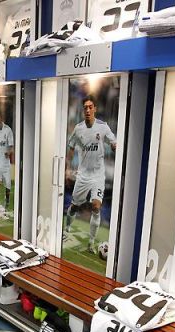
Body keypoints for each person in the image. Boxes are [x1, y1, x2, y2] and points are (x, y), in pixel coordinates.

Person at [64, 95, 117, 254]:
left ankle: (91, 243)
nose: (87, 110)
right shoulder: (78, 128)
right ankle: (67, 229)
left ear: (95, 109)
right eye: (85, 107)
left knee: (96, 207)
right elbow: (71, 147)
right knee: (74, 207)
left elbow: (113, 142)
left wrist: (115, 147)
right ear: (83, 110)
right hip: (82, 176)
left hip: (98, 176)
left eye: (90, 107)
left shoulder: (103, 127)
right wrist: (67, 168)